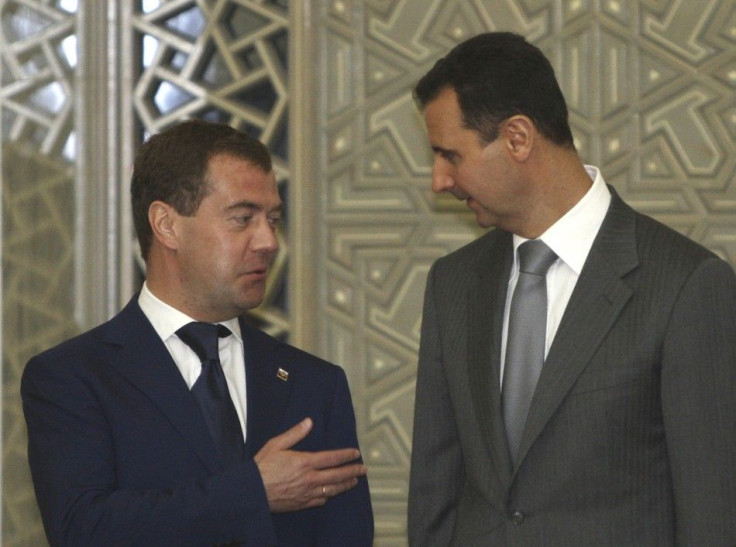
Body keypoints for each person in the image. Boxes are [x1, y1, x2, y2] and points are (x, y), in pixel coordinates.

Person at [408, 31, 736, 546]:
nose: (439, 180)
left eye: (451, 155)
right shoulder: (452, 284)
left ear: (518, 137)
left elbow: (714, 517)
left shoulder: (686, 286)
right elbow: (436, 497)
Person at [22, 120, 373, 546]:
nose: (268, 241)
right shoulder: (73, 377)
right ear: (166, 225)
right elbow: (84, 530)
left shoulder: (314, 384)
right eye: (243, 218)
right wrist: (251, 492)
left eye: (273, 219)